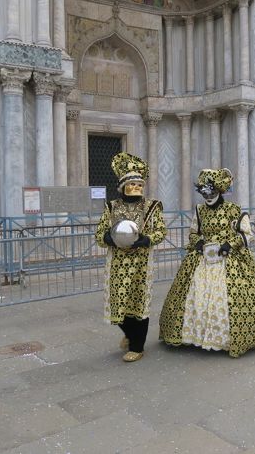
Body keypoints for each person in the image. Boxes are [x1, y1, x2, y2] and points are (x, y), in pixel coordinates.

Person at [159, 168, 255, 357]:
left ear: (220, 191)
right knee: (194, 293)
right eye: (204, 193)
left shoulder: (233, 209)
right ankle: (194, 335)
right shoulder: (199, 210)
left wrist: (230, 244)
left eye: (211, 192)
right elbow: (193, 233)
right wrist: (199, 243)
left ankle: (225, 339)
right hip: (203, 259)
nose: (208, 196)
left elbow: (247, 233)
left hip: (229, 260)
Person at [95, 152, 167, 362]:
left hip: (141, 264)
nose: (136, 187)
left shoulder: (151, 206)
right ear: (122, 186)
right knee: (118, 303)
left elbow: (161, 231)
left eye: (139, 184)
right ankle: (128, 333)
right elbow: (99, 233)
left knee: (137, 304)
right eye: (131, 184)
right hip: (117, 264)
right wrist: (108, 237)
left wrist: (147, 239)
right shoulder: (112, 207)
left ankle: (137, 345)